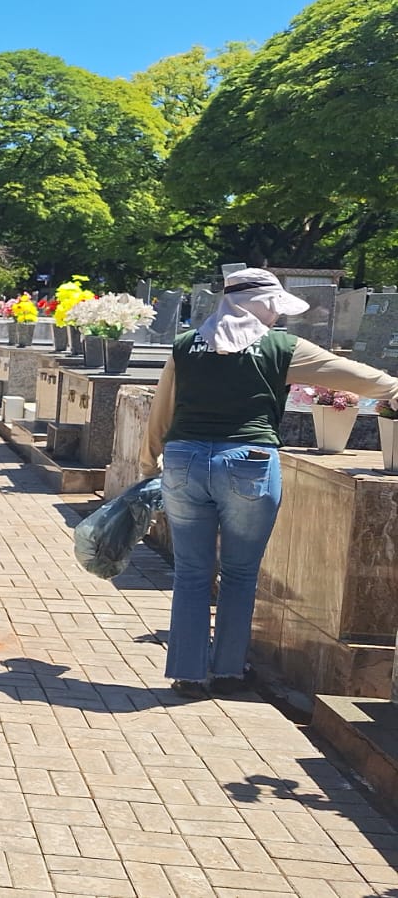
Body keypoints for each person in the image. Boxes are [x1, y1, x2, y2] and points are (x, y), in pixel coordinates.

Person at [139, 267, 398, 699]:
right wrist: (393, 386)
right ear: (261, 306)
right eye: (274, 308)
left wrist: (148, 462)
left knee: (190, 572)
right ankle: (227, 673)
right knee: (240, 572)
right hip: (249, 462)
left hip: (183, 460)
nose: (277, 317)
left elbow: (162, 411)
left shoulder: (185, 346)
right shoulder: (281, 347)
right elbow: (351, 374)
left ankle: (186, 673)